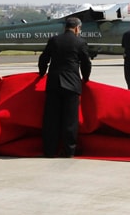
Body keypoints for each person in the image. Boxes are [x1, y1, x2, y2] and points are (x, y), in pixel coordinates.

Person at [38, 17, 92, 158]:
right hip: (72, 84)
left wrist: (41, 73)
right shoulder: (80, 42)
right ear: (76, 28)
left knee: (51, 119)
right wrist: (85, 78)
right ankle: (69, 151)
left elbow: (44, 58)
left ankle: (49, 151)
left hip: (54, 83)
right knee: (70, 121)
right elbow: (86, 63)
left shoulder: (54, 40)